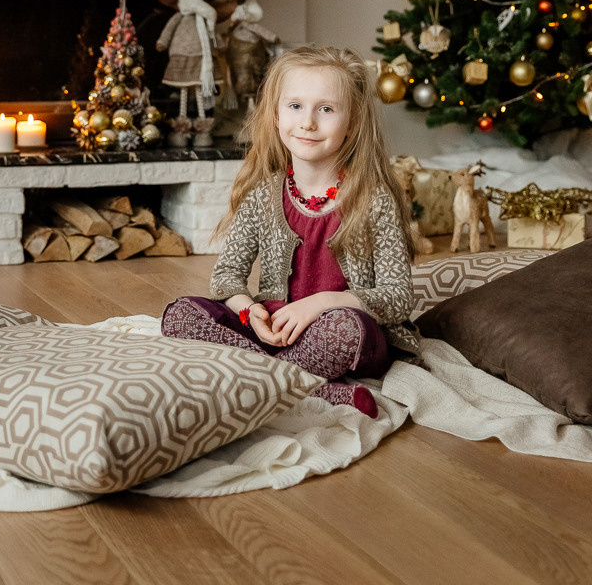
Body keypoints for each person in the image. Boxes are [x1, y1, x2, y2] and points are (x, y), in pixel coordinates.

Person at [161, 45, 419, 415]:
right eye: (295, 106)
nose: (308, 122)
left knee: (345, 331)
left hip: (342, 331)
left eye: (326, 109)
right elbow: (226, 277)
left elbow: (398, 298)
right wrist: (250, 312)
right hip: (273, 333)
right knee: (181, 315)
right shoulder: (262, 194)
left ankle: (258, 379)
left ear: (354, 121)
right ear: (275, 115)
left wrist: (321, 303)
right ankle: (318, 391)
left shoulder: (373, 199)